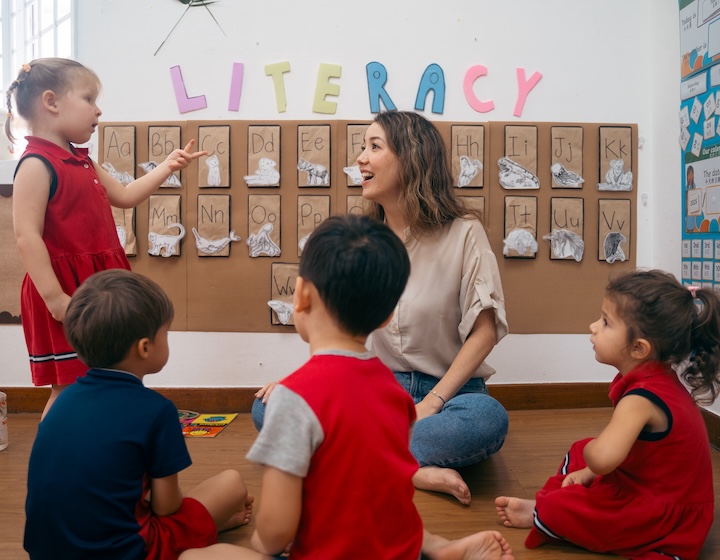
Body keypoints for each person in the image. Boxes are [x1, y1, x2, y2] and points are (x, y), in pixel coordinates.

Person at [182, 215, 514, 560]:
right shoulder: (392, 392)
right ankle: (433, 547)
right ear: (387, 316)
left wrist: (262, 544)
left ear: (300, 295)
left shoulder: (292, 400)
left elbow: (276, 532)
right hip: (396, 548)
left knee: (194, 557)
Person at [6, 57, 205, 418]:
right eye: (88, 99)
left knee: (115, 374)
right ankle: (51, 463)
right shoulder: (36, 164)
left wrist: (167, 167)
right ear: (51, 102)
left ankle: (105, 451)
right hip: (66, 291)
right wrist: (55, 299)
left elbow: (126, 196)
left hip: (99, 283)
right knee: (67, 386)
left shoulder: (82, 161)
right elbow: (26, 236)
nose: (99, 110)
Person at [24, 269, 253, 560]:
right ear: (145, 347)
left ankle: (208, 526)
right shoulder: (156, 411)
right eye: (165, 333)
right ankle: (207, 529)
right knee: (232, 484)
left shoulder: (61, 401)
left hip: (47, 552)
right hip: (129, 552)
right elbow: (167, 507)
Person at [496, 269, 719, 559]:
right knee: (580, 453)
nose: (593, 327)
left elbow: (602, 460)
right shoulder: (656, 379)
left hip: (665, 513)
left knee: (573, 485)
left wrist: (594, 459)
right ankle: (550, 508)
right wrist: (588, 469)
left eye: (605, 322)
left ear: (638, 348)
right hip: (656, 486)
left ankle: (544, 512)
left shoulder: (641, 398)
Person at [360, 110, 509, 504]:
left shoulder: (464, 233)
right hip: (381, 387)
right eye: (363, 147)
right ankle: (415, 470)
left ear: (411, 159)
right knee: (270, 409)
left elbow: (485, 331)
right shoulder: (363, 239)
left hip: (453, 392)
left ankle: (363, 456)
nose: (361, 158)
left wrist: (432, 402)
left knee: (486, 421)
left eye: (374, 147)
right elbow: (340, 329)